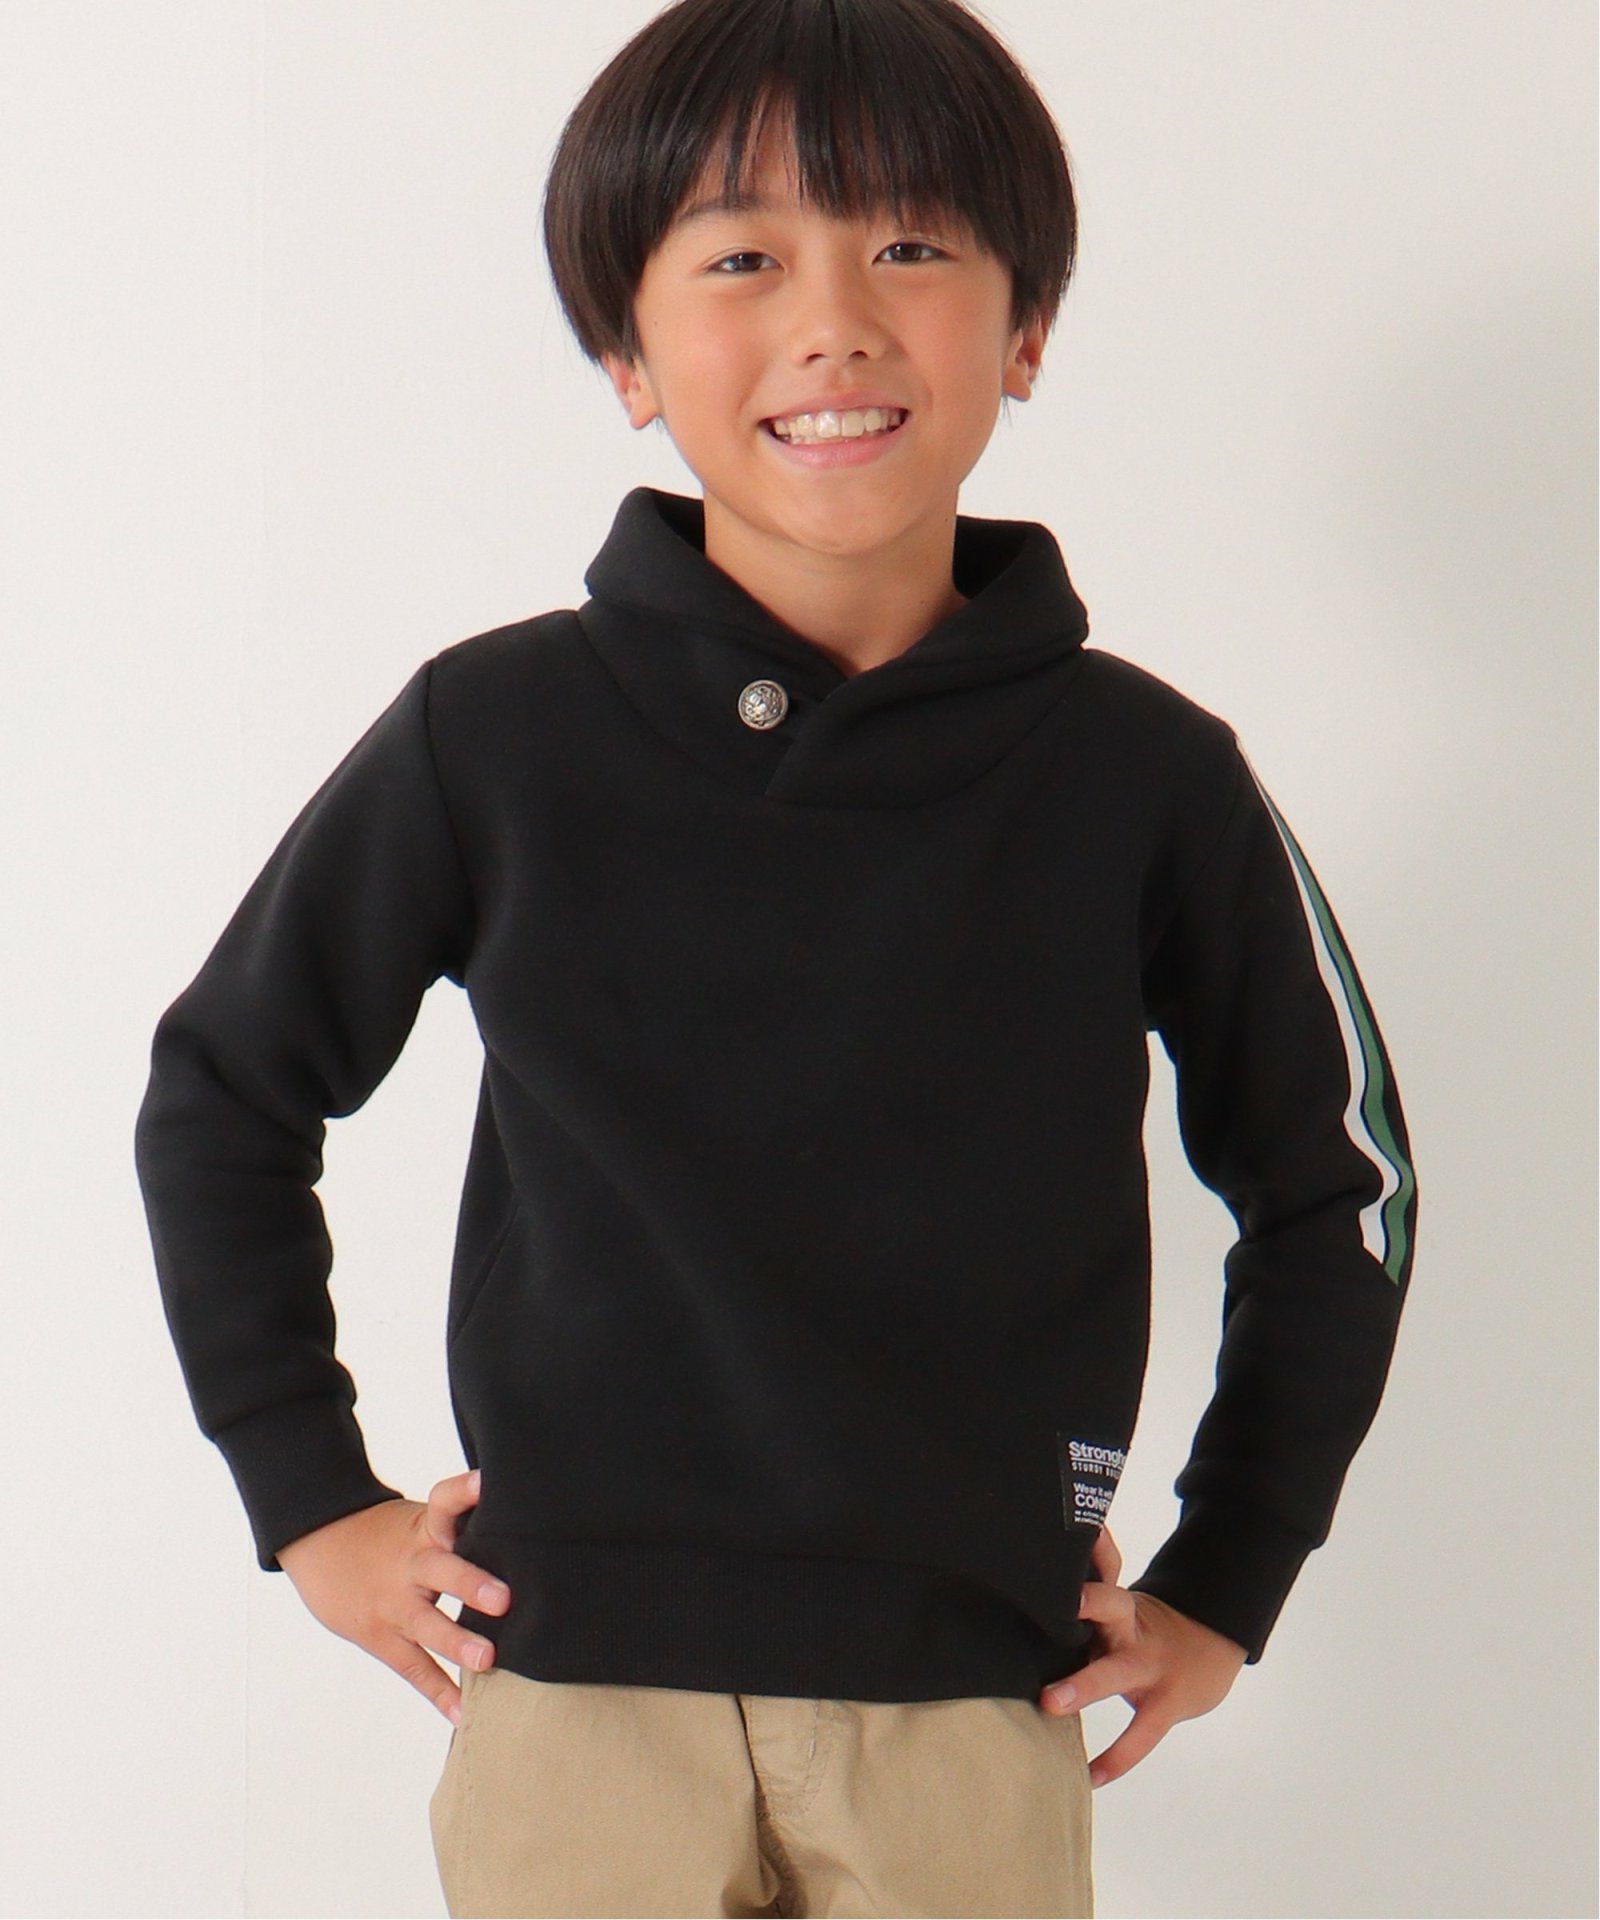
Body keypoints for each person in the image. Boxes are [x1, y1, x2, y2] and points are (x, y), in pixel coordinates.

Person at [132, 1, 1420, 1914]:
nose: (835, 324)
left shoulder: (1149, 777)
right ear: (625, 351)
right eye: (742, 259)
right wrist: (309, 1498)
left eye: (909, 245)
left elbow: (1343, 1190)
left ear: (1028, 330)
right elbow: (225, 1094)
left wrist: (1229, 1575)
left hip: (972, 1699)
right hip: (574, 1694)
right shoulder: (494, 737)